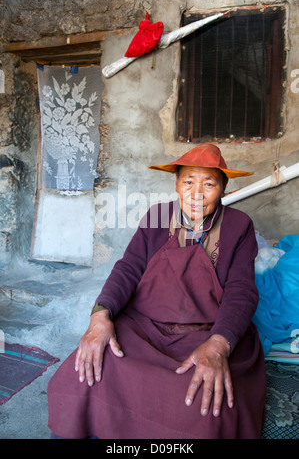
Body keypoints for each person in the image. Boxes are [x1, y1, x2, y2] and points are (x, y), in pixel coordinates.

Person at [47, 143, 266, 439]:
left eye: (209, 183)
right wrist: (100, 316)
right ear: (176, 184)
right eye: (188, 181)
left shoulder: (239, 226)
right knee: (81, 375)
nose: (197, 193)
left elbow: (242, 290)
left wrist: (219, 345)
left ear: (224, 189)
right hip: (144, 329)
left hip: (207, 333)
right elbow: (129, 267)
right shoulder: (157, 217)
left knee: (208, 407)